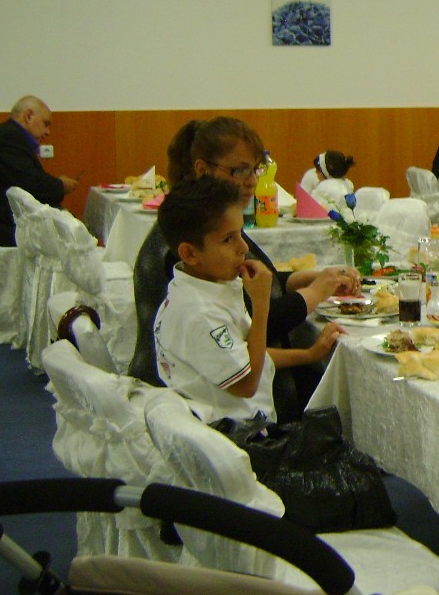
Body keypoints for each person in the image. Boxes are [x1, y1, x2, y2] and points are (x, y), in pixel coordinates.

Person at [130, 116, 360, 422]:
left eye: (256, 169)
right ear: (203, 170)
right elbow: (252, 331)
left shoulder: (214, 224)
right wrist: (314, 293)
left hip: (224, 393)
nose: (252, 180)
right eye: (239, 170)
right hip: (197, 412)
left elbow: (252, 282)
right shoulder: (186, 243)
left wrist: (305, 279)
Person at [153, 176, 344, 424]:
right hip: (235, 434)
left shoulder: (194, 289)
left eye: (240, 233)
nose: (243, 247)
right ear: (190, 253)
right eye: (228, 239)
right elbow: (247, 383)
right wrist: (262, 303)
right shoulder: (201, 313)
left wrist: (309, 354)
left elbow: (243, 356)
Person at [0, 95, 78, 247]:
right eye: (45, 124)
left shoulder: (9, 135)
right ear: (28, 116)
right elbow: (32, 185)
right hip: (6, 230)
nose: (48, 132)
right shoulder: (9, 138)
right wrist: (61, 185)